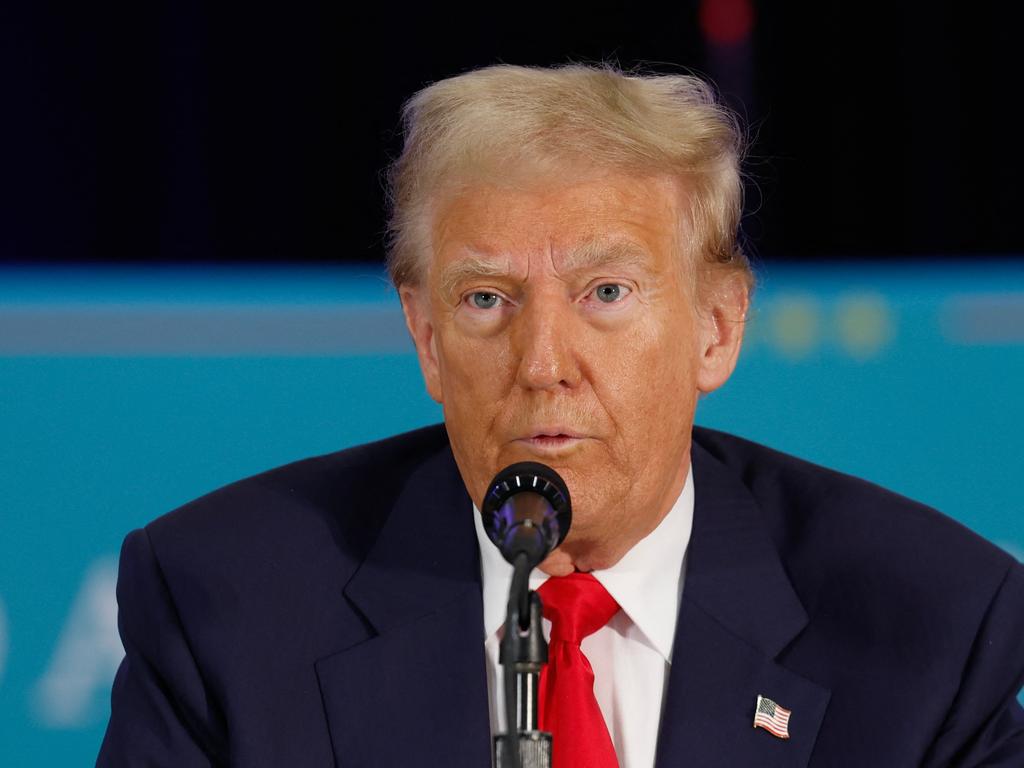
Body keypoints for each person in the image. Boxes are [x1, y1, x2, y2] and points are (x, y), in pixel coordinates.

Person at [98, 64, 1024, 767]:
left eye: (606, 291)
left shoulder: (931, 629)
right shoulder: (223, 609)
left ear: (717, 327)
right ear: (425, 338)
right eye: (486, 301)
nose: (543, 367)